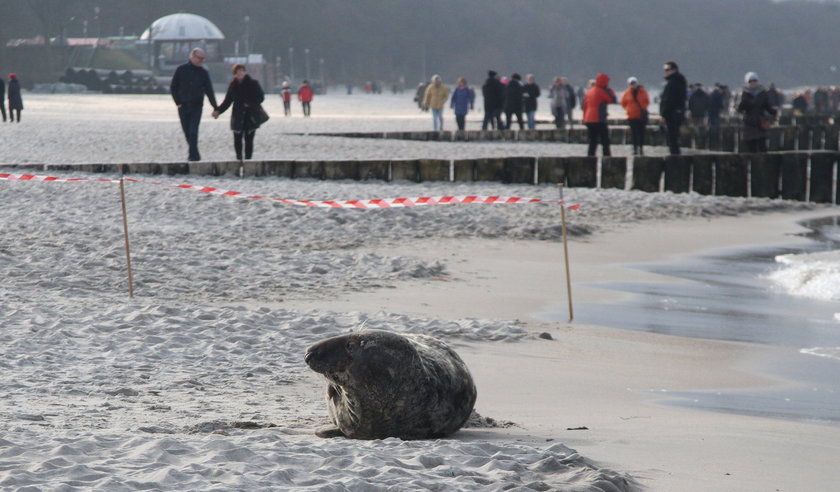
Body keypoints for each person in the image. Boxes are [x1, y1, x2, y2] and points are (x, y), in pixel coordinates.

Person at [170, 48, 218, 161]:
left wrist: (215, 107)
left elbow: (209, 91)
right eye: (199, 58)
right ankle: (195, 154)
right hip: (183, 106)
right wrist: (178, 102)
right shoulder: (181, 70)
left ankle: (192, 156)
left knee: (193, 131)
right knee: (187, 131)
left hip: (197, 106)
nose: (201, 61)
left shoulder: (203, 73)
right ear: (192, 56)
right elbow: (173, 87)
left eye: (203, 59)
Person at [212, 63, 266, 161]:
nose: (240, 73)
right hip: (237, 116)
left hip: (251, 116)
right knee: (237, 140)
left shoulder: (253, 83)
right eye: (237, 72)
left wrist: (250, 103)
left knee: (249, 140)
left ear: (245, 72)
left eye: (241, 71)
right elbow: (227, 101)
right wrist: (218, 111)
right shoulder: (233, 86)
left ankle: (248, 161)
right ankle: (239, 160)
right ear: (234, 74)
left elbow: (261, 97)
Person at [737, 72, 777, 153]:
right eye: (750, 81)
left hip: (760, 122)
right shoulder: (743, 93)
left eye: (754, 80)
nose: (753, 83)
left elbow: (768, 106)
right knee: (750, 147)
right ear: (747, 82)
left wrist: (774, 112)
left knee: (762, 146)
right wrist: (742, 103)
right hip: (749, 122)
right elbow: (739, 109)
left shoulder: (762, 92)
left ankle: (763, 164)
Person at [582, 73, 617, 157]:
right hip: (598, 118)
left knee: (592, 140)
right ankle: (607, 157)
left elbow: (584, 106)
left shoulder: (589, 91)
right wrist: (609, 90)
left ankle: (590, 158)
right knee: (605, 140)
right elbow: (612, 99)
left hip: (588, 118)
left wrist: (584, 118)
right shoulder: (601, 91)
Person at [659, 61, 687, 155]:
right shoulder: (679, 80)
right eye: (664, 70)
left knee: (672, 136)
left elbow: (669, 100)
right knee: (673, 136)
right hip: (677, 112)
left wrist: (663, 114)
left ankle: (674, 155)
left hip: (672, 114)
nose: (665, 72)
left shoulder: (673, 82)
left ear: (674, 70)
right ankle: (675, 153)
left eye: (667, 70)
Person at [620, 77, 650, 155]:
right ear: (629, 84)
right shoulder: (626, 93)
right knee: (634, 133)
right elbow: (623, 103)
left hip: (641, 115)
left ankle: (641, 148)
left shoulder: (643, 91)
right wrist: (629, 109)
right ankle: (635, 148)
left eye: (634, 83)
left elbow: (647, 101)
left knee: (641, 133)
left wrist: (642, 108)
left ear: (637, 83)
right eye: (631, 83)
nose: (633, 85)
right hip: (632, 116)